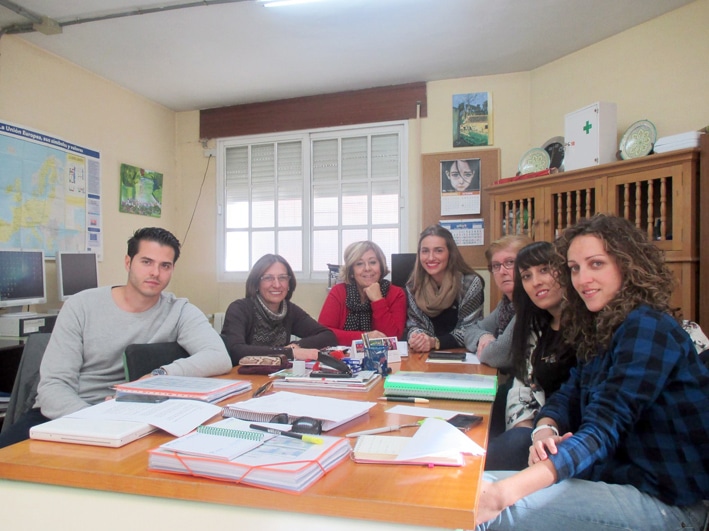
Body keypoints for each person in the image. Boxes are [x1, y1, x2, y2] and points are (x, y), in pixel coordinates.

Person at [476, 214, 709, 530]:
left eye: (596, 264)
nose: (582, 279)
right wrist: (545, 427)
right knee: (468, 488)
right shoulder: (602, 329)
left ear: (626, 265)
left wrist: (504, 494)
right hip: (615, 482)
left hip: (668, 503)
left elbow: (604, 428)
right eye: (574, 268)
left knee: (490, 508)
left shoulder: (647, 327)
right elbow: (567, 395)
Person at [0, 227, 233, 449]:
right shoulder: (81, 306)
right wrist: (97, 420)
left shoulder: (178, 310)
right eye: (146, 262)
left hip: (132, 417)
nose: (155, 272)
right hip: (69, 413)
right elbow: (54, 387)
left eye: (165, 265)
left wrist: (158, 376)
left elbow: (218, 356)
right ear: (128, 262)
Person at [483, 241, 575, 471]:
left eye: (544, 270)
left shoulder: (584, 324)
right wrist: (522, 425)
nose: (536, 282)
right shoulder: (535, 323)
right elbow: (524, 380)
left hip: (568, 435)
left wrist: (536, 430)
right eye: (526, 276)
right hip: (536, 428)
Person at [221, 254, 336, 364]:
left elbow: (328, 336)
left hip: (275, 376)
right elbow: (235, 351)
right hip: (241, 377)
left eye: (282, 278)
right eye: (268, 278)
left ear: (289, 284)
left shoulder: (289, 310)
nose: (276, 284)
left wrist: (297, 346)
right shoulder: (239, 309)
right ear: (256, 284)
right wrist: (290, 353)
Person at [405, 224, 484, 352]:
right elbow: (414, 324)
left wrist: (435, 342)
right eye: (425, 251)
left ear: (450, 253)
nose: (430, 258)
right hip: (424, 355)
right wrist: (418, 337)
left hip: (462, 355)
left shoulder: (470, 283)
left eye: (438, 250)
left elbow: (470, 329)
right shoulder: (413, 286)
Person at [318, 241, 406, 344]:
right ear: (351, 271)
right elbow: (322, 334)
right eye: (359, 264)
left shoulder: (396, 293)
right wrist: (364, 337)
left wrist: (378, 300)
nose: (367, 268)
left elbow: (393, 339)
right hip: (342, 358)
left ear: (381, 267)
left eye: (373, 262)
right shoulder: (339, 292)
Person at [465, 234, 532, 369]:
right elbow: (470, 330)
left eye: (510, 262)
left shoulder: (530, 303)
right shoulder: (507, 305)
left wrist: (488, 346)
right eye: (496, 265)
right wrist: (483, 337)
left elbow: (497, 356)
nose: (502, 271)